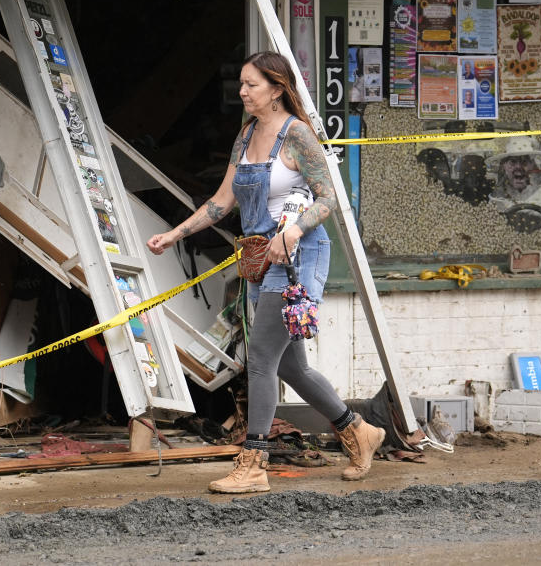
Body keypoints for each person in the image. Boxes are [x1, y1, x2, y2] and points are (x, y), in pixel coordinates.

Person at [147, 51, 384, 494]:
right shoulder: (246, 135)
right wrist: (175, 234)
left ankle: (254, 463)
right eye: (241, 83)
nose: (242, 92)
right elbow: (222, 201)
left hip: (298, 259)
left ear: (276, 89)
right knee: (290, 367)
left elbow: (329, 198)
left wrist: (294, 229)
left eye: (251, 84)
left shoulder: (298, 136)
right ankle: (360, 431)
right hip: (261, 261)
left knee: (259, 360)